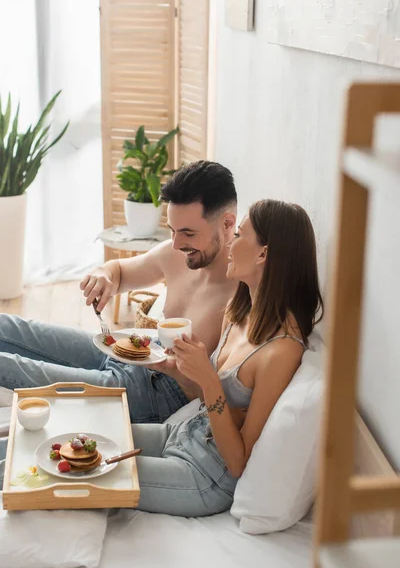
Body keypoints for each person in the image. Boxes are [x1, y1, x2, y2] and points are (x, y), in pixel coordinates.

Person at [113, 199, 323, 516]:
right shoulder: (238, 311)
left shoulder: (283, 350)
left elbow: (238, 461)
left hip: (209, 476)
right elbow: (211, 399)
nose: (229, 244)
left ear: (263, 254)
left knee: (97, 470)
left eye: (238, 235)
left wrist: (208, 379)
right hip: (186, 434)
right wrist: (176, 369)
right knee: (94, 436)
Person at [0, 161, 238, 423]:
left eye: (188, 233)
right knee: (9, 326)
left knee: (13, 367)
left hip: (153, 393)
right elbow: (120, 271)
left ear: (228, 224)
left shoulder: (243, 292)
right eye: (172, 230)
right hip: (135, 351)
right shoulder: (176, 253)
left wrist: (177, 371)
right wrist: (105, 276)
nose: (176, 243)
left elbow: (216, 396)